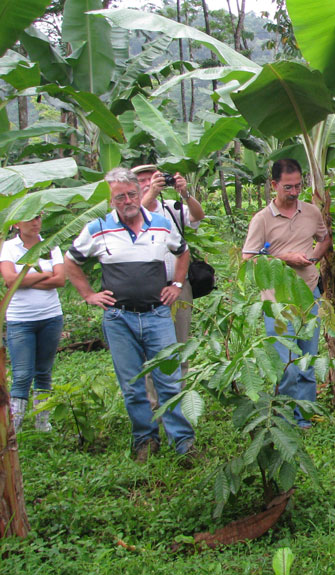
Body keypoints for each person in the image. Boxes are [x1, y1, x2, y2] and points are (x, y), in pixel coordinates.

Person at [65, 167, 195, 461]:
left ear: (140, 193)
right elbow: (71, 261)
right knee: (133, 385)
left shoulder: (161, 224)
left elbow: (182, 251)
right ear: (111, 200)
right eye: (119, 196)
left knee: (169, 380)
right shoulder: (97, 228)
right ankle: (145, 440)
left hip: (157, 314)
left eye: (131, 194)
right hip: (119, 318)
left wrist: (176, 283)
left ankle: (184, 443)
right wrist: (88, 294)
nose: (127, 200)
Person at [241, 159, 331, 428]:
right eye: (287, 187)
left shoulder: (312, 212)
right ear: (274, 185)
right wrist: (283, 258)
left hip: (309, 295)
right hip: (277, 301)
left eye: (298, 187)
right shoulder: (262, 219)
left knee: (307, 358)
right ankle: (284, 418)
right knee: (286, 365)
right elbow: (248, 258)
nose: (294, 193)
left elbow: (325, 238)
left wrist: (314, 257)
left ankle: (305, 418)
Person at [133, 164, 205, 374]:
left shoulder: (171, 208)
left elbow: (198, 216)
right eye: (142, 181)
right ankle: (154, 403)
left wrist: (185, 194)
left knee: (180, 344)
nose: (148, 184)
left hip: (178, 286)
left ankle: (178, 398)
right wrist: (151, 194)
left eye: (152, 178)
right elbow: (137, 219)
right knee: (150, 351)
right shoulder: (128, 213)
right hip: (146, 290)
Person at [1, 213, 65, 432]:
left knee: (43, 371)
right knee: (21, 373)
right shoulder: (10, 247)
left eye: (38, 218)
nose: (35, 222)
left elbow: (60, 279)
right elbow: (10, 280)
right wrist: (44, 274)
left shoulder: (51, 246)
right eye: (29, 219)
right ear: (17, 224)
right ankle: (15, 427)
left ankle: (42, 423)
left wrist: (24, 281)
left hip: (50, 316)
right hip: (20, 319)